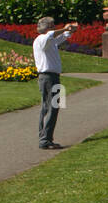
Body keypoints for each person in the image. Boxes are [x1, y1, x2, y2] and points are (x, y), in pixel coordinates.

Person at [33, 16, 78, 149]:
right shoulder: (42, 39)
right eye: (52, 25)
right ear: (46, 28)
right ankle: (45, 139)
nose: (54, 27)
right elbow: (52, 35)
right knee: (51, 107)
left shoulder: (49, 41)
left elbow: (61, 37)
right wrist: (64, 28)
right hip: (48, 77)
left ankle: (45, 137)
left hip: (52, 77)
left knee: (51, 107)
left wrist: (70, 31)